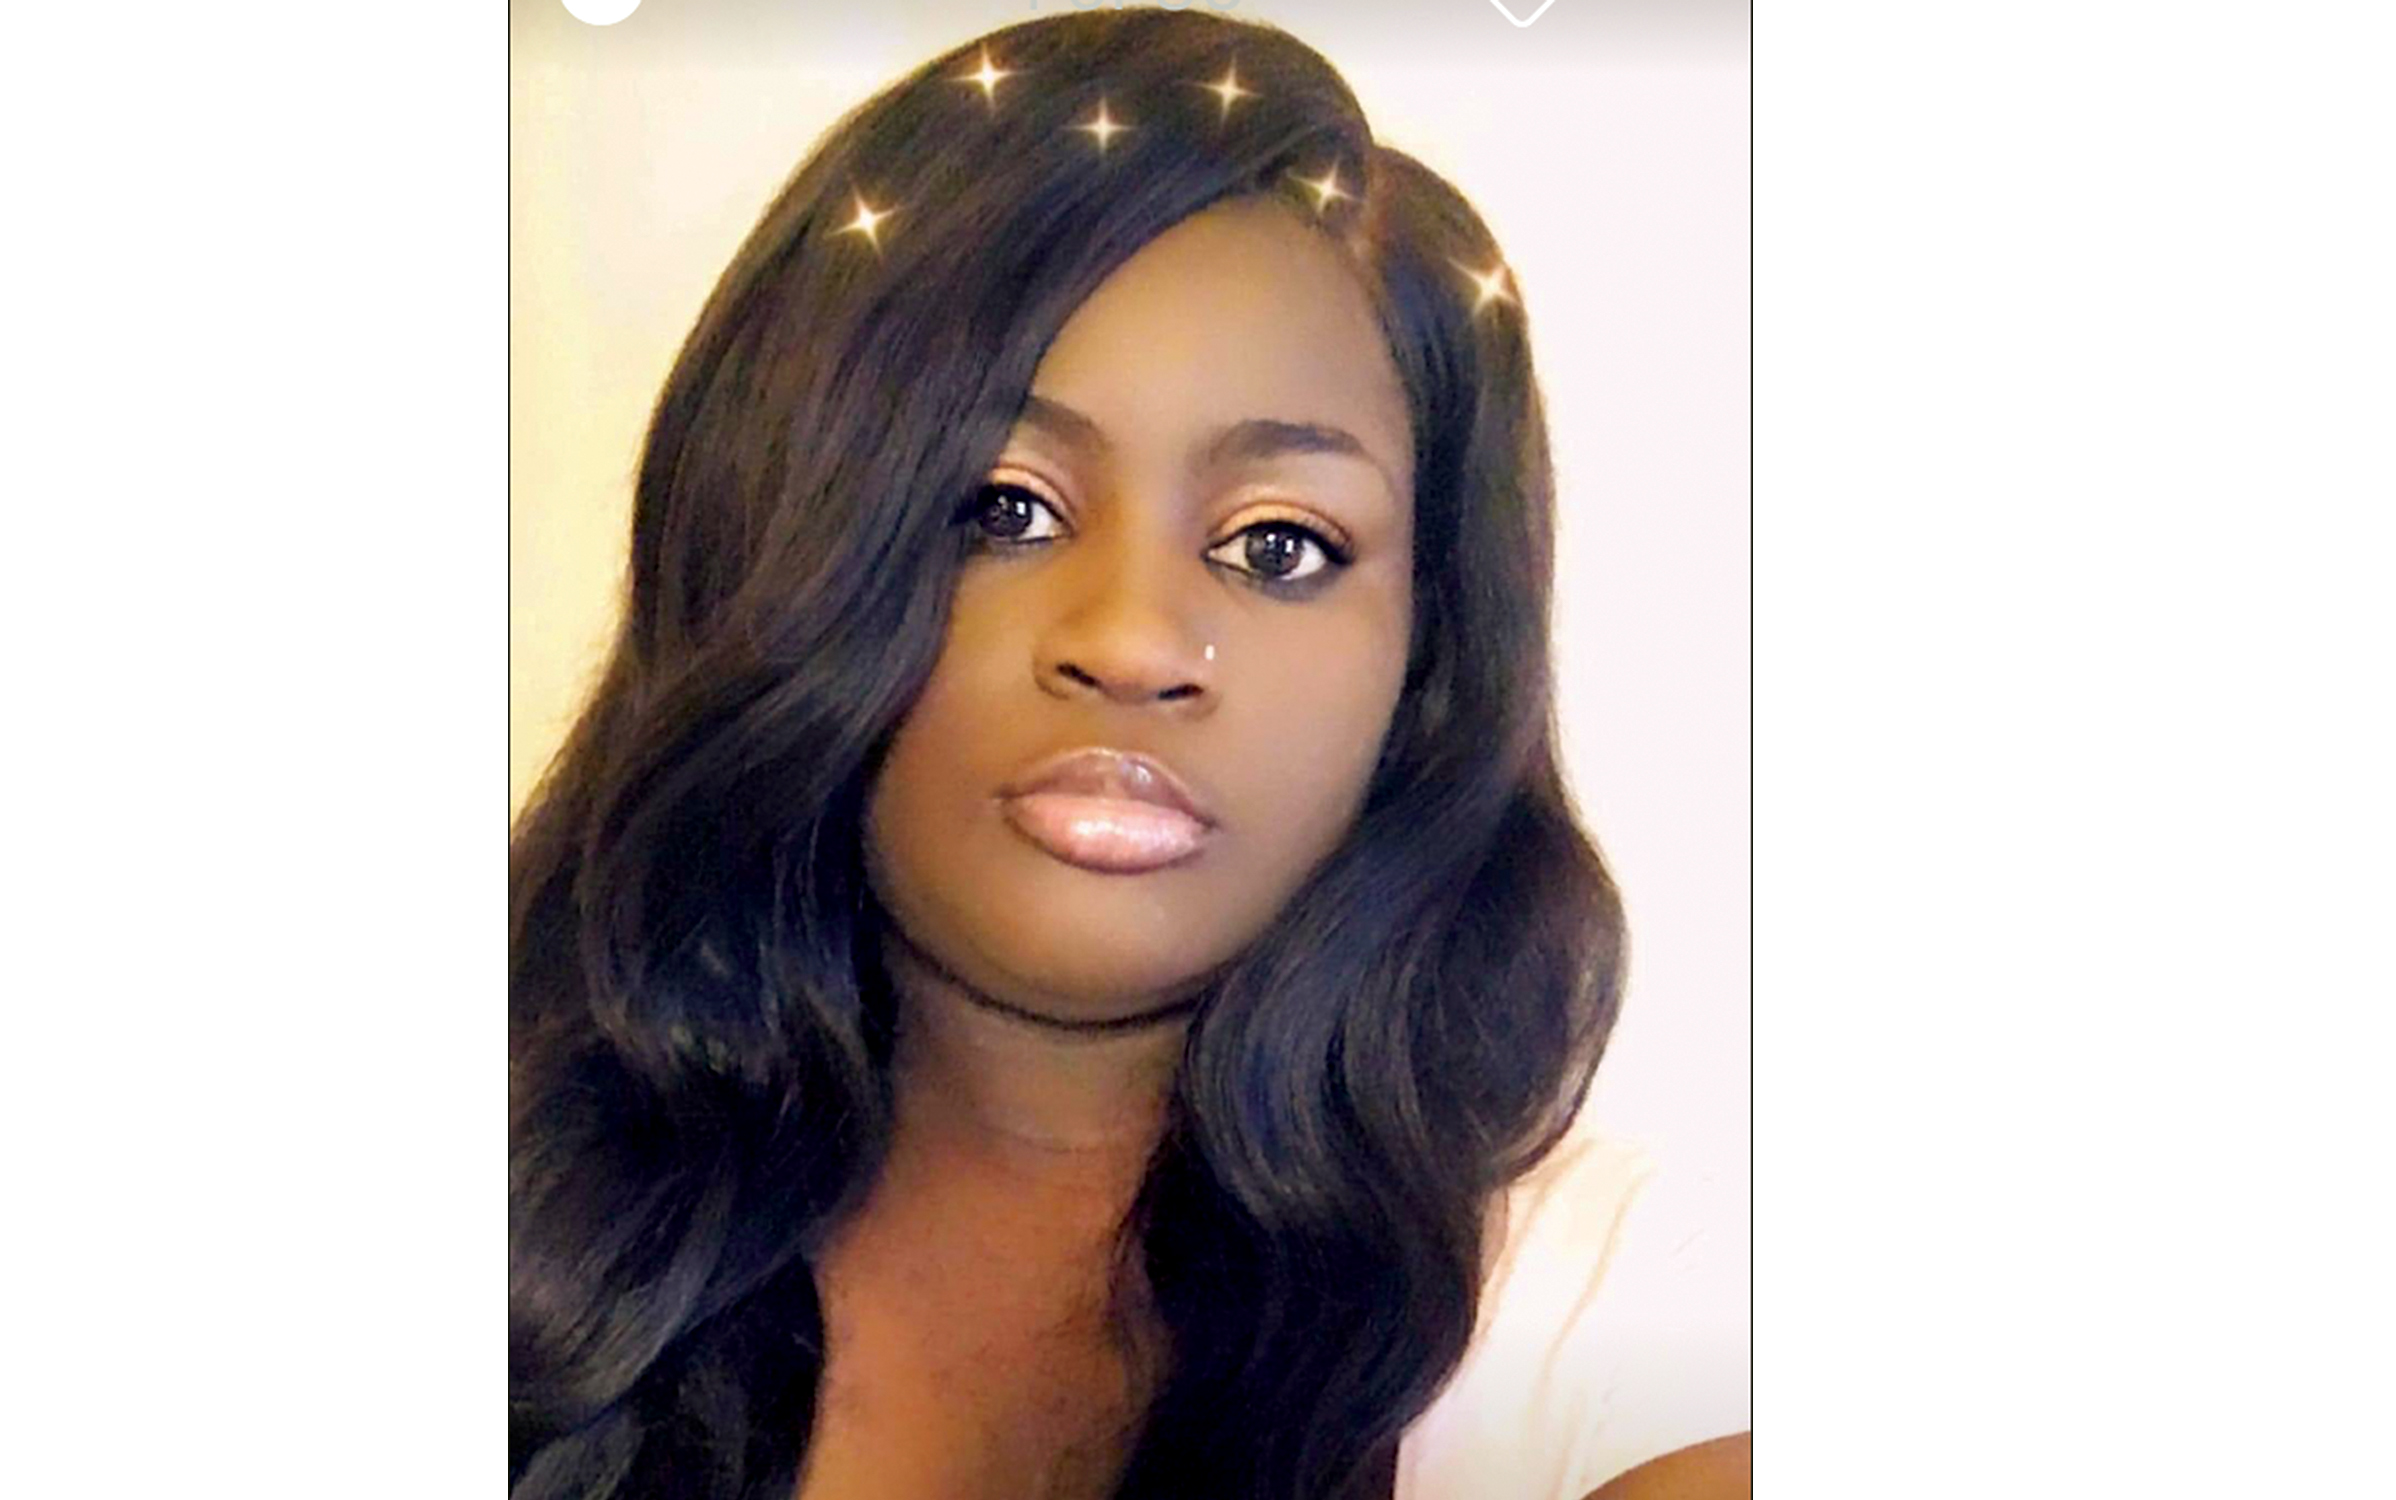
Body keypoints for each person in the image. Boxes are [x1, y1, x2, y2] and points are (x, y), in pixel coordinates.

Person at [509, 8, 1746, 1498]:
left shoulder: (1628, 1330)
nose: (1137, 640)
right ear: (775, 547)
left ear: (1427, 659)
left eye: (1279, 545)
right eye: (1004, 509)